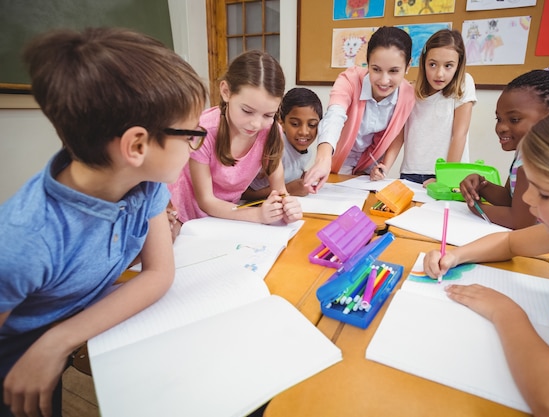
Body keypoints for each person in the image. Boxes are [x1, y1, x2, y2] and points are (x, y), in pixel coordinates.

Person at [0, 27, 208, 417]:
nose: (196, 144)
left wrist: (56, 341)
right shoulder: (22, 239)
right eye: (191, 134)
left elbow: (158, 273)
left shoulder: (145, 184)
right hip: (15, 367)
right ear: (137, 146)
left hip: (56, 344)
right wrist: (43, 349)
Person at [423, 87, 549, 417]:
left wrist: (505, 312)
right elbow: (507, 243)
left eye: (544, 195)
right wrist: (455, 256)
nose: (529, 202)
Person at [169, 50, 303, 225]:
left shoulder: (271, 131)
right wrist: (257, 215)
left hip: (229, 219)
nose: (256, 124)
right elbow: (206, 201)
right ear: (226, 92)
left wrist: (286, 207)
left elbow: (280, 191)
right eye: (247, 111)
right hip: (187, 219)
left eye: (268, 115)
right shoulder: (203, 131)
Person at [459, 59, 549, 229]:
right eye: (498, 119)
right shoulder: (524, 153)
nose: (501, 127)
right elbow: (511, 199)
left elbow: (520, 222)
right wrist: (482, 185)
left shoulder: (537, 163)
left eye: (514, 119)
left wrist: (475, 208)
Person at [302, 26, 415, 190]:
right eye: (376, 69)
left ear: (408, 66)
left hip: (370, 171)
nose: (384, 80)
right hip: (338, 163)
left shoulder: (408, 95)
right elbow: (334, 116)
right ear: (367, 62)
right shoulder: (349, 80)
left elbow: (398, 134)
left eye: (393, 71)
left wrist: (385, 166)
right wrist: (323, 158)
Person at [374, 29, 476, 185]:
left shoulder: (464, 84)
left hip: (447, 172)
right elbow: (399, 135)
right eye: (433, 64)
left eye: (448, 66)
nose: (439, 74)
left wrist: (445, 178)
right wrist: (384, 167)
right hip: (411, 173)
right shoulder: (409, 91)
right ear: (423, 62)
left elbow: (459, 134)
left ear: (458, 65)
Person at [243, 87, 323, 200]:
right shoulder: (275, 148)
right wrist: (288, 189)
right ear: (281, 122)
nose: (304, 132)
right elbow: (245, 193)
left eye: (312, 125)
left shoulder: (308, 152)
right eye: (295, 124)